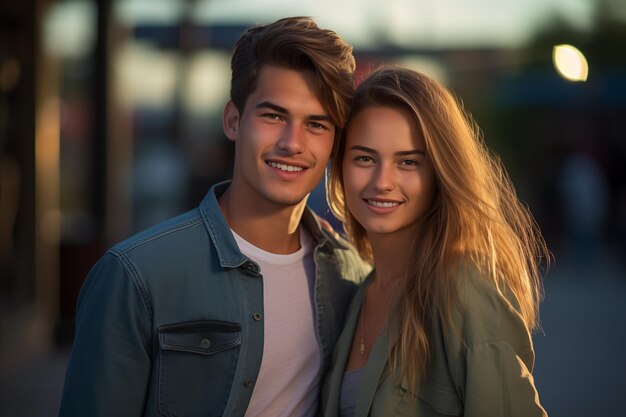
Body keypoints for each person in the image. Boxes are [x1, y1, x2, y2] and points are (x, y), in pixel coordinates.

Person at [59, 17, 370, 417]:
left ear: (333, 142)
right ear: (233, 120)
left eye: (316, 124)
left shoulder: (351, 276)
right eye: (273, 116)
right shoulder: (135, 277)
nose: (293, 143)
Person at [321, 67, 550, 417]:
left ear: (439, 174)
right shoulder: (360, 292)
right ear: (340, 167)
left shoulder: (463, 286)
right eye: (365, 158)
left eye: (408, 162)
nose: (382, 181)